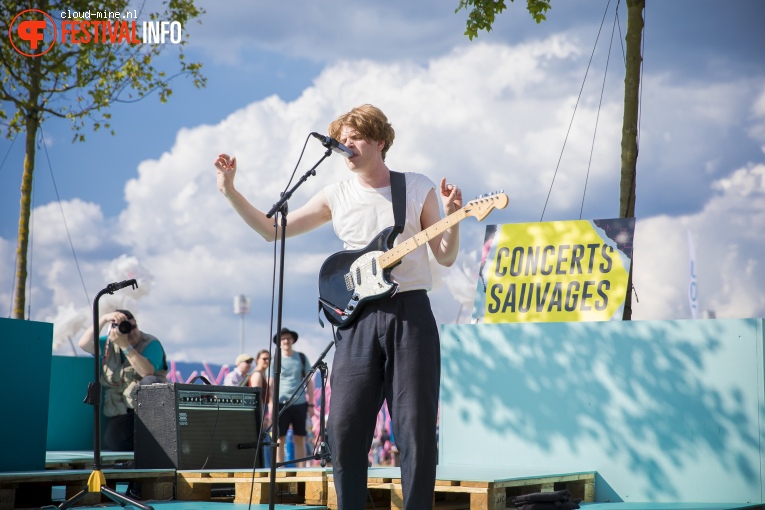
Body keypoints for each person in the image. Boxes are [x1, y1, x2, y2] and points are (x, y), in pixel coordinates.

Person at [214, 104, 462, 509]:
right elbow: (270, 231)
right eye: (342, 139)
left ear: (380, 141)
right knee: (343, 429)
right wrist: (230, 191)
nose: (346, 146)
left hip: (410, 315)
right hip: (356, 319)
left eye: (355, 138)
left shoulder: (416, 186)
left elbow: (445, 256)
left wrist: (451, 220)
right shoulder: (336, 193)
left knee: (414, 428)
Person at [77, 309, 168, 452]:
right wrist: (104, 318)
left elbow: (146, 371)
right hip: (123, 409)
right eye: (125, 328)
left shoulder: (150, 343)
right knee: (113, 441)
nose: (131, 332)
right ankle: (144, 449)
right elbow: (84, 344)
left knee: (149, 381)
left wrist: (126, 346)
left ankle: (156, 444)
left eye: (133, 327)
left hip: (150, 410)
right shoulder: (110, 344)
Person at [268, 327, 314, 467]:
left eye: (288, 338)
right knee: (279, 439)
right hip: (281, 403)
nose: (286, 341)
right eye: (283, 339)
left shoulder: (301, 357)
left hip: (299, 403)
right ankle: (280, 470)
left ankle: (302, 469)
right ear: (279, 342)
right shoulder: (275, 359)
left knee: (300, 437)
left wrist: (311, 404)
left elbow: (309, 381)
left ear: (293, 340)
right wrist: (271, 405)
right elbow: (271, 384)